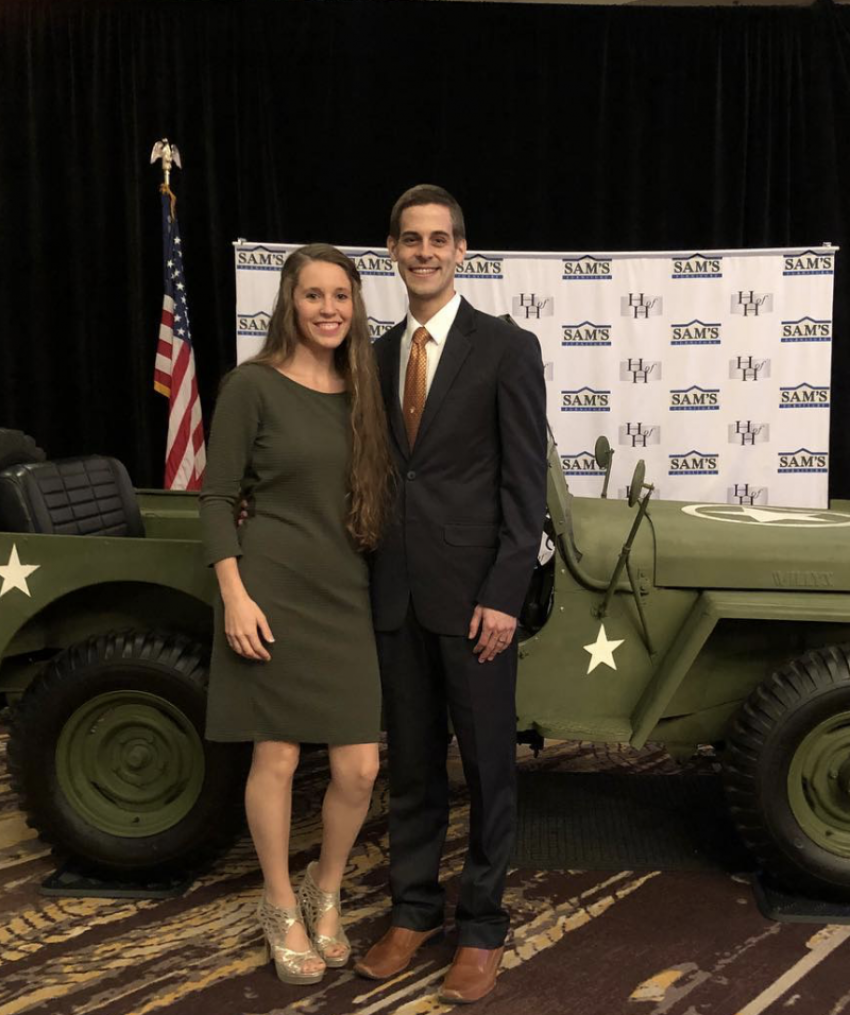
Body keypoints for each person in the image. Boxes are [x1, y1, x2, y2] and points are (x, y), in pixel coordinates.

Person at [354, 186, 548, 1004]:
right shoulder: (373, 352)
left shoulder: (507, 346)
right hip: (395, 595)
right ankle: (414, 908)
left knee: (489, 767)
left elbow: (523, 484)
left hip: (476, 602)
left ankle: (482, 923)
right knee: (413, 767)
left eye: (439, 239)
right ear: (393, 252)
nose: (425, 251)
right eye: (410, 239)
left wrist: (506, 591)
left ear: (462, 250)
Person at [199, 244, 393, 985]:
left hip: (346, 593)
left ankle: (326, 884)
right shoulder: (251, 386)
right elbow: (217, 497)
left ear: (354, 304)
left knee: (359, 765)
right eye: (312, 295)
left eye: (339, 295)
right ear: (289, 302)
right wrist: (235, 594)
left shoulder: (361, 390)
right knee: (275, 756)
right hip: (271, 589)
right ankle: (278, 901)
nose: (328, 309)